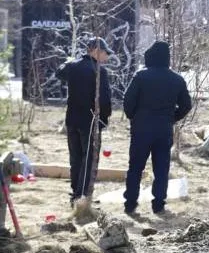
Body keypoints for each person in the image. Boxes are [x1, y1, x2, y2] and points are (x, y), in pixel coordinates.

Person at [123, 41, 192, 215]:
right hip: (164, 129)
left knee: (136, 166)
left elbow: (128, 101)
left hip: (141, 129)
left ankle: (131, 202)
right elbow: (186, 105)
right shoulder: (177, 79)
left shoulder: (141, 76)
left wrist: (134, 117)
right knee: (162, 167)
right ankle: (159, 203)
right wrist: (172, 118)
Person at [56, 37, 113, 207]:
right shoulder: (99, 71)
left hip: (72, 120)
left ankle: (75, 193)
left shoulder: (73, 66)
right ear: (95, 50)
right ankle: (82, 197)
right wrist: (104, 120)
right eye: (105, 52)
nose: (107, 57)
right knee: (88, 159)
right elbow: (104, 100)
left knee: (75, 158)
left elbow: (59, 72)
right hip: (90, 122)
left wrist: (70, 61)